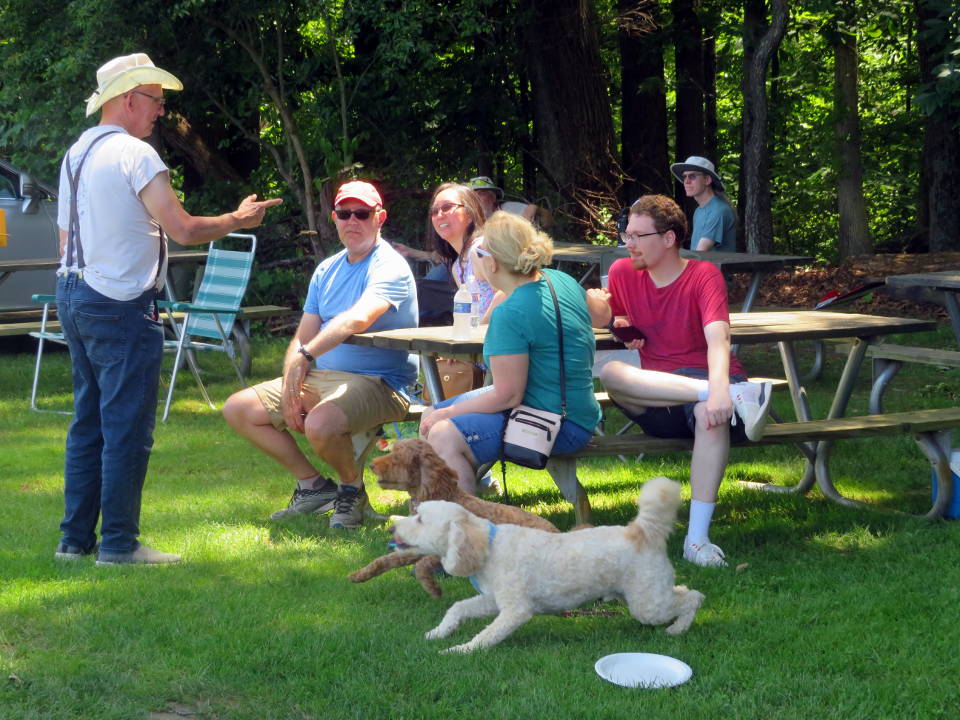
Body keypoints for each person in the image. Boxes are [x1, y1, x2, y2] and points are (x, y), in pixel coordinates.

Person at [54, 53, 281, 565]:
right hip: (119, 302)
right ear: (129, 99)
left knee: (88, 422)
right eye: (156, 100)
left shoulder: (75, 154)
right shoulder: (136, 154)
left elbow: (66, 239)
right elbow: (182, 229)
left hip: (73, 293)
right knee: (126, 428)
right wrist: (238, 218)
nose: (161, 111)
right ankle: (119, 544)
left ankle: (74, 541)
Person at [585, 194, 771, 568]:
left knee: (709, 415)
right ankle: (733, 394)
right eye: (626, 234)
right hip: (662, 391)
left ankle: (696, 540)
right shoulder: (623, 272)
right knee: (611, 373)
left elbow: (718, 337)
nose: (628, 243)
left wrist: (717, 390)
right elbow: (611, 319)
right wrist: (607, 316)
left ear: (669, 238)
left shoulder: (703, 275)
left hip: (709, 383)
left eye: (638, 236)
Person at [222, 180, 418, 529]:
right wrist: (291, 381)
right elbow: (304, 333)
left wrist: (306, 355)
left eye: (362, 214)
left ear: (380, 218)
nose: (352, 221)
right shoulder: (327, 269)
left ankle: (351, 490)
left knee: (320, 424)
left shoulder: (389, 265)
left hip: (381, 383)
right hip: (322, 377)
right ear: (334, 218)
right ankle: (313, 487)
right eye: (344, 213)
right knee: (239, 409)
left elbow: (359, 317)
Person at [419, 211, 601, 493]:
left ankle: (461, 518)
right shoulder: (561, 280)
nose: (473, 260)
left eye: (478, 253)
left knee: (443, 433)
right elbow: (598, 316)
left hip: (557, 425)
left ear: (492, 263)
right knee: (432, 413)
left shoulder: (510, 313)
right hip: (580, 413)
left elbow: (508, 396)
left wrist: (449, 413)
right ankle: (434, 506)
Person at [670, 156, 737, 252]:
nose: (686, 181)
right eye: (684, 177)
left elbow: (700, 253)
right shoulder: (698, 211)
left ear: (707, 180)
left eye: (692, 176)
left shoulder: (719, 210)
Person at [466, 176, 553, 229]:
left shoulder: (508, 208)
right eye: (471, 195)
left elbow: (545, 217)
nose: (475, 198)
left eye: (480, 194)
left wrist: (534, 210)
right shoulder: (468, 219)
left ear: (492, 197)